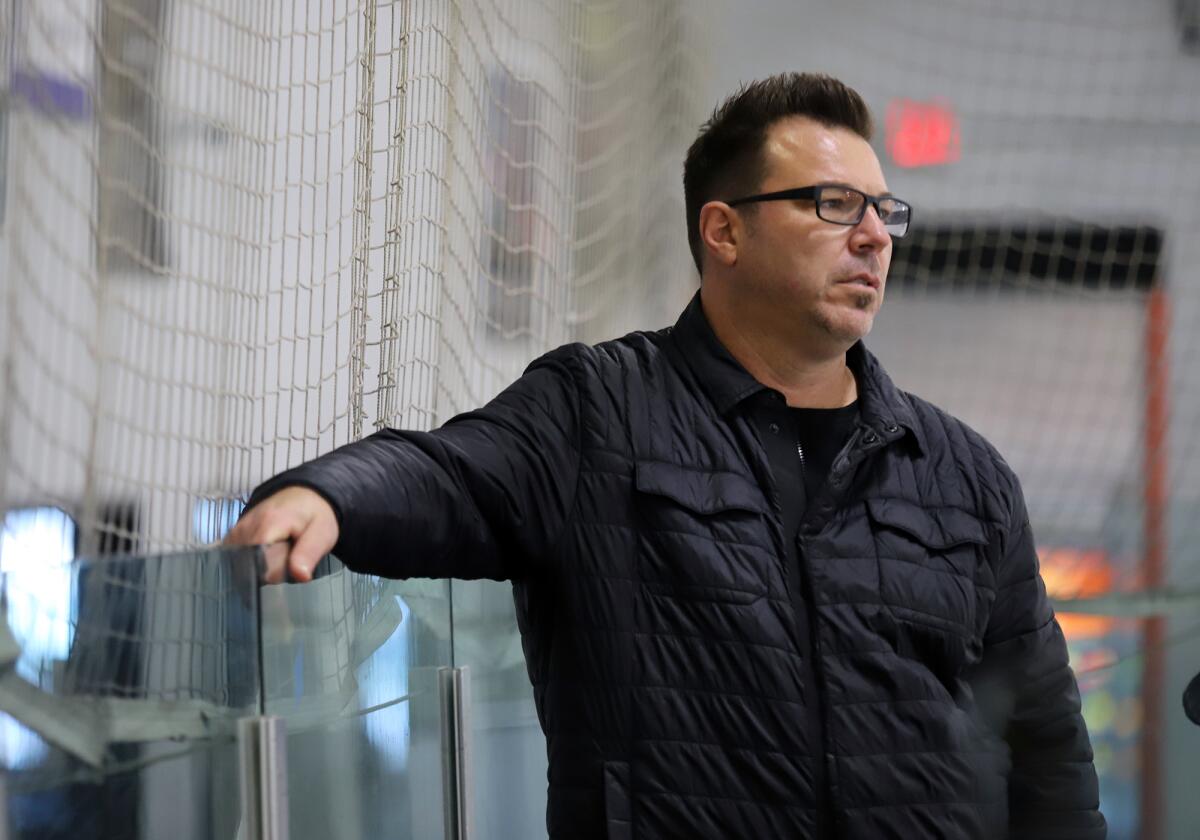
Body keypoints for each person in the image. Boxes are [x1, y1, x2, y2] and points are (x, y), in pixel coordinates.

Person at [227, 72, 1106, 839]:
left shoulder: (964, 475)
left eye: (885, 211)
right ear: (724, 232)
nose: (874, 235)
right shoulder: (599, 410)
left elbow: (1046, 743)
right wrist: (325, 495)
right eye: (834, 205)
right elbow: (452, 473)